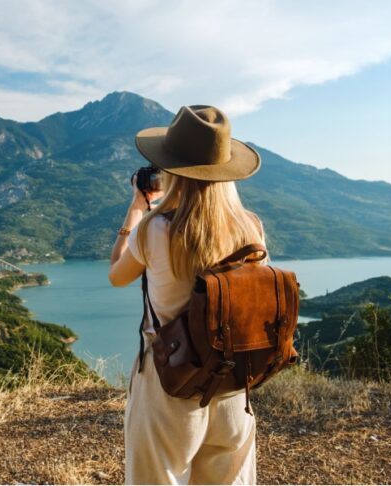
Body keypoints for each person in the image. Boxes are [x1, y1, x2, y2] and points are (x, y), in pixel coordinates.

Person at [108, 105, 267, 485]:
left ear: (171, 169)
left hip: (169, 385)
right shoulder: (251, 229)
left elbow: (117, 275)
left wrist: (136, 209)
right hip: (231, 386)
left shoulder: (155, 228)